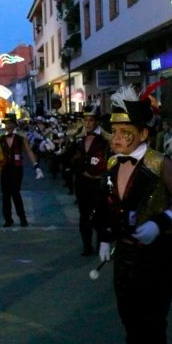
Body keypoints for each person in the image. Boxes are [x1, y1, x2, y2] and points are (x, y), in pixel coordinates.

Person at [98, 85, 172, 344]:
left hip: (156, 256)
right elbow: (108, 203)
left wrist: (162, 221)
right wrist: (105, 236)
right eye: (114, 132)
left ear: (143, 134)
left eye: (124, 132)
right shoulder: (113, 162)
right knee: (130, 325)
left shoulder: (161, 163)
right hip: (124, 256)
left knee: (152, 328)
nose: (116, 138)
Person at [0, 113, 44, 227]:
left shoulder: (21, 138)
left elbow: (29, 151)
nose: (7, 126)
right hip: (5, 168)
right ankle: (8, 219)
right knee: (5, 195)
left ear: (14, 125)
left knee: (15, 193)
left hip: (16, 168)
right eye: (6, 124)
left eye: (9, 123)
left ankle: (22, 218)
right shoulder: (1, 138)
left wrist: (36, 167)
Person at [72, 104, 108, 256]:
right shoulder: (79, 139)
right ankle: (87, 246)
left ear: (97, 121)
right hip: (83, 183)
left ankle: (102, 245)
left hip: (99, 183)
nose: (87, 123)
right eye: (85, 120)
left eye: (90, 120)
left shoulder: (105, 139)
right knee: (84, 216)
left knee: (100, 216)